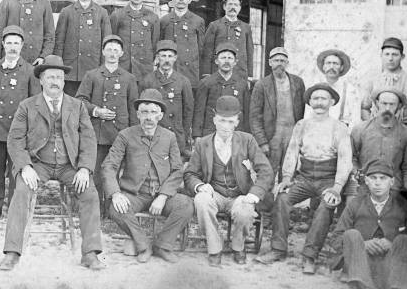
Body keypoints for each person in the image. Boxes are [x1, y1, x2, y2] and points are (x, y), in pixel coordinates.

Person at [0, 55, 104, 271]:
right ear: (41, 80)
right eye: (50, 77)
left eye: (59, 77)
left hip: (69, 166)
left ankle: (91, 253)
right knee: (20, 191)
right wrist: (25, 166)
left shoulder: (78, 106)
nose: (55, 81)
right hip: (38, 164)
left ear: (64, 81)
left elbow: (88, 139)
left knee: (90, 193)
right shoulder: (27, 106)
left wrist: (84, 168)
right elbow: (15, 139)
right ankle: (12, 252)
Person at [256, 83, 353, 274]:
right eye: (315, 98)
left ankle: (310, 255)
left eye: (323, 98)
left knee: (327, 205)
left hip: (328, 178)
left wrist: (337, 187)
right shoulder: (302, 125)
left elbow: (345, 159)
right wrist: (286, 178)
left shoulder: (339, 127)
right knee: (282, 198)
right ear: (309, 102)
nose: (319, 102)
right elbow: (292, 151)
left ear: (332, 102)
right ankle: (278, 249)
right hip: (305, 177)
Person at [102, 89, 194, 264]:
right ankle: (143, 245)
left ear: (160, 115)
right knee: (116, 209)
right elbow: (109, 165)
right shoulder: (125, 136)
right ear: (138, 114)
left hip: (163, 195)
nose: (148, 117)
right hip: (135, 194)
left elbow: (177, 170)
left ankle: (163, 245)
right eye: (144, 112)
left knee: (186, 205)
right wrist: (115, 193)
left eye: (153, 112)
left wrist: (163, 196)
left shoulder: (169, 137)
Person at [185, 96, 274, 266]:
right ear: (214, 120)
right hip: (215, 193)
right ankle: (214, 248)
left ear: (237, 122)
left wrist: (254, 194)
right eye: (222, 121)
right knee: (201, 200)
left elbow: (266, 171)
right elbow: (190, 173)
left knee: (246, 210)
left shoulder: (247, 140)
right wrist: (200, 186)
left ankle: (238, 246)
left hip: (240, 194)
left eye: (230, 121)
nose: (226, 126)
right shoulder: (203, 143)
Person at [0, 26, 41, 219]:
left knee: (17, 170)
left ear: (22, 46)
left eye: (16, 43)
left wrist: (31, 131)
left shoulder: (30, 71)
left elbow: (35, 104)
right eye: (9, 43)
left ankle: (15, 208)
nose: (13, 47)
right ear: (3, 45)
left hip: (19, 132)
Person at [75, 35, 138, 213]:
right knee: (94, 173)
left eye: (116, 50)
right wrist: (96, 111)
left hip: (119, 134)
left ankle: (113, 210)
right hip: (97, 133)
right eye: (109, 49)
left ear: (122, 53)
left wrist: (133, 135)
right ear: (103, 52)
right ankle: (95, 209)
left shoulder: (129, 78)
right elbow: (79, 100)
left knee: (114, 173)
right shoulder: (92, 75)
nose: (112, 53)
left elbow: (134, 108)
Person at [330, 160, 407, 289]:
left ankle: (396, 286)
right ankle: (361, 284)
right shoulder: (355, 204)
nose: (377, 183)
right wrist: (362, 245)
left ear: (392, 182)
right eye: (373, 178)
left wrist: (392, 244)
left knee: (404, 239)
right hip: (361, 265)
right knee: (351, 234)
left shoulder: (403, 206)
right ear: (366, 181)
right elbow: (336, 238)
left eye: (383, 178)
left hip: (391, 266)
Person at [250, 47, 305, 179]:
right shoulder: (262, 85)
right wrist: (262, 142)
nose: (279, 63)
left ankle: (283, 199)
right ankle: (267, 200)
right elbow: (254, 117)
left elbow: (304, 111)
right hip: (272, 137)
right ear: (270, 62)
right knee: (267, 175)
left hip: (292, 136)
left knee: (288, 175)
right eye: (276, 60)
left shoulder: (297, 83)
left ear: (287, 63)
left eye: (282, 60)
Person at [54, 0, 112, 96]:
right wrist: (59, 67)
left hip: (92, 67)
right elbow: (59, 42)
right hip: (70, 69)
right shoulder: (66, 12)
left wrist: (104, 68)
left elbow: (107, 44)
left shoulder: (102, 13)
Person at [140, 40, 194, 161]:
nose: (167, 60)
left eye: (170, 56)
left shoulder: (183, 81)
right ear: (157, 58)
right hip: (153, 133)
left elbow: (188, 111)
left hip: (175, 134)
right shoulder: (148, 80)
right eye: (163, 56)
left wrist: (184, 135)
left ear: (175, 58)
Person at [350, 87, 407, 197]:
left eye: (392, 104)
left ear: (399, 106)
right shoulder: (360, 129)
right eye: (384, 103)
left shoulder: (406, 134)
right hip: (365, 185)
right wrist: (356, 171)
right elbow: (351, 157)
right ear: (377, 103)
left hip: (394, 188)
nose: (387, 108)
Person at [193, 42, 250, 138]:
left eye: (230, 58)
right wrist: (197, 136)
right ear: (216, 61)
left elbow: (247, 113)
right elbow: (199, 112)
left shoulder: (242, 84)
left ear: (235, 62)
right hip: (211, 133)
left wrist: (247, 136)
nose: (226, 61)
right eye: (223, 58)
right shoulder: (206, 83)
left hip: (235, 133)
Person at [110, 0, 159, 81]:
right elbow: (112, 40)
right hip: (123, 64)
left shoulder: (152, 17)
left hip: (143, 66)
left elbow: (155, 43)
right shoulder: (118, 15)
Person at [159, 0, 206, 89]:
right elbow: (159, 47)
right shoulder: (164, 21)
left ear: (190, 0)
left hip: (190, 71)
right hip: (170, 68)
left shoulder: (198, 21)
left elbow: (202, 49)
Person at [203, 0, 254, 79]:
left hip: (239, 73)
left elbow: (250, 52)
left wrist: (249, 75)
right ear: (224, 6)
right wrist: (206, 73)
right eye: (230, 4)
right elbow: (207, 51)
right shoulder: (214, 25)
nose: (233, 7)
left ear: (240, 8)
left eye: (236, 5)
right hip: (218, 72)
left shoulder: (246, 28)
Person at [306, 49, 360, 129]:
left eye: (335, 64)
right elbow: (307, 117)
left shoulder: (351, 91)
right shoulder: (314, 90)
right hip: (318, 133)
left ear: (341, 67)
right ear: (323, 67)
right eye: (328, 63)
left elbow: (355, 120)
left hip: (341, 135)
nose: (331, 67)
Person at [361, 37, 407, 125]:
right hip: (376, 128)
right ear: (381, 55)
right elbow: (365, 107)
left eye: (395, 54)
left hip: (402, 130)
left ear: (402, 57)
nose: (390, 58)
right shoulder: (373, 78)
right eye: (387, 54)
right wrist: (371, 126)